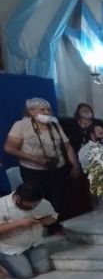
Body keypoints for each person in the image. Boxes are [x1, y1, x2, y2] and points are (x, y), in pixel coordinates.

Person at [4, 98, 81, 233]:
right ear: (31, 111)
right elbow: (9, 148)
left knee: (59, 200)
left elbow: (67, 146)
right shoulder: (21, 125)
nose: (46, 112)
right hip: (34, 171)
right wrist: (34, 158)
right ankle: (40, 229)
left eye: (48, 109)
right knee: (40, 200)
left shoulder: (54, 123)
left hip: (57, 169)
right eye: (42, 109)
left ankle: (56, 228)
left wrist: (75, 164)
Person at [0, 182, 57, 279]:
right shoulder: (2, 205)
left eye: (35, 205)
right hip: (10, 249)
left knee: (43, 269)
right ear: (17, 198)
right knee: (25, 275)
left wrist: (40, 221)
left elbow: (53, 217)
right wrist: (18, 224)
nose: (32, 208)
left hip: (34, 244)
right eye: (29, 206)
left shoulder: (42, 202)